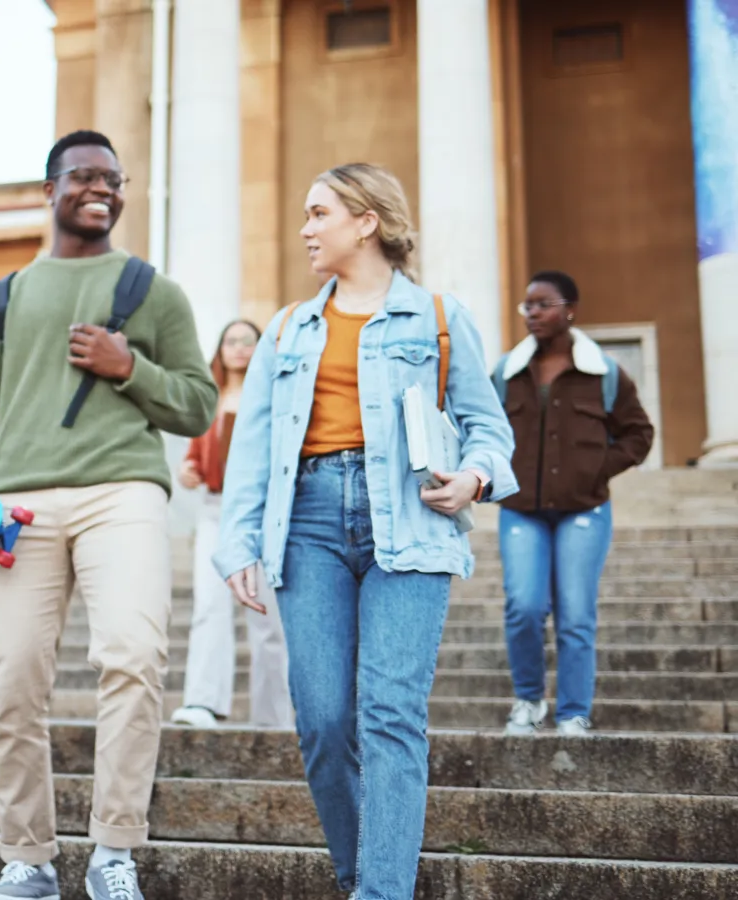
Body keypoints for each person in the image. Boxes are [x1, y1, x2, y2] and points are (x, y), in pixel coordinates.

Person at [214, 163, 516, 900]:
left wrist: (475, 477)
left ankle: (381, 890)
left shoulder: (440, 317)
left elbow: (489, 428)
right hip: (308, 521)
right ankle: (358, 871)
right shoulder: (288, 327)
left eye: (319, 213)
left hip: (410, 521)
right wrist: (239, 544)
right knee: (321, 719)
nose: (306, 228)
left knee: (389, 714)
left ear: (367, 221)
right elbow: (252, 446)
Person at [0, 130, 217, 900]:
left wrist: (129, 366)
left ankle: (114, 851)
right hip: (19, 503)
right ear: (49, 189)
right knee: (12, 680)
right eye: (84, 176)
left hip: (122, 490)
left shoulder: (153, 291)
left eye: (113, 178)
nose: (101, 188)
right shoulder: (6, 294)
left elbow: (198, 404)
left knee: (133, 653)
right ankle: (27, 858)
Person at [495, 270, 654, 737]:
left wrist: (598, 468)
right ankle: (528, 701)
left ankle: (572, 712)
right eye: (527, 305)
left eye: (543, 304)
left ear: (570, 310)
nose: (533, 313)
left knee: (576, 612)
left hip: (584, 509)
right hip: (522, 509)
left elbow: (639, 434)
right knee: (523, 605)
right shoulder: (506, 372)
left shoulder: (604, 373)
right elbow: (480, 425)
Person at [170, 319, 294, 731]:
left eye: (247, 341)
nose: (239, 348)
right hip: (214, 509)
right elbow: (195, 454)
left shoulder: (274, 395)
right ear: (219, 349)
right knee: (209, 605)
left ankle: (274, 715)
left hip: (262, 513)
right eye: (231, 341)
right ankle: (203, 702)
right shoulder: (209, 397)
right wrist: (189, 469)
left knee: (266, 617)